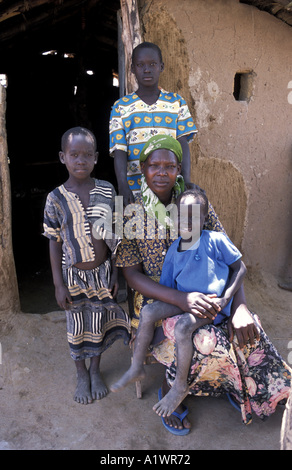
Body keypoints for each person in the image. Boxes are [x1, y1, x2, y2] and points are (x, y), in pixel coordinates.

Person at [113, 134, 291, 435]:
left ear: (179, 169)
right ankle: (174, 386)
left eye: (169, 166)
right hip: (161, 296)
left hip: (211, 296)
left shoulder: (194, 202)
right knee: (200, 338)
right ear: (142, 168)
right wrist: (181, 300)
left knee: (247, 329)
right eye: (153, 166)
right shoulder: (130, 212)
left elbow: (230, 260)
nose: (161, 172)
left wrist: (241, 307)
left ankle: (236, 385)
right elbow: (132, 275)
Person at [111, 185, 247, 419]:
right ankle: (136, 367)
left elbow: (240, 268)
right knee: (149, 311)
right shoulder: (174, 250)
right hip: (186, 302)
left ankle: (179, 386)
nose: (187, 222)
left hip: (212, 304)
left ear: (205, 219)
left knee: (184, 327)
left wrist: (227, 298)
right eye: (183, 216)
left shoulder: (215, 240)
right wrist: (156, 324)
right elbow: (168, 288)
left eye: (194, 217)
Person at [43, 127, 131, 405]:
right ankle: (81, 373)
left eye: (87, 155)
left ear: (95, 159)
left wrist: (116, 272)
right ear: (62, 157)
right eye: (74, 154)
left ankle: (95, 371)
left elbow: (115, 234)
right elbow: (54, 241)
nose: (80, 160)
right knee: (77, 326)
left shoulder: (106, 190)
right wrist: (58, 284)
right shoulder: (55, 198)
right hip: (73, 277)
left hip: (103, 273)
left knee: (99, 324)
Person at [109, 41, 197, 205]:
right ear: (132, 69)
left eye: (152, 64)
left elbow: (183, 144)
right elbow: (119, 150)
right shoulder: (121, 107)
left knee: (174, 228)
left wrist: (185, 180)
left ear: (161, 67)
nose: (147, 69)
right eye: (140, 65)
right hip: (135, 190)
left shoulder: (176, 103)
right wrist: (123, 186)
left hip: (171, 189)